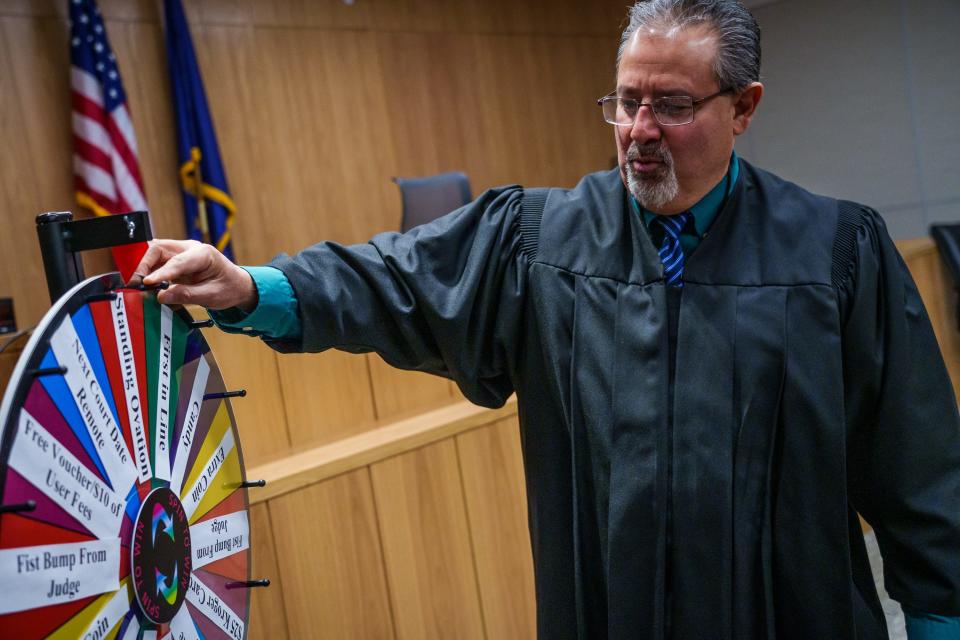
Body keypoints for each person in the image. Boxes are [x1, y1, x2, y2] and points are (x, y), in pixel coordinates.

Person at [136, 1, 960, 637]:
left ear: (743, 107)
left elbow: (918, 470)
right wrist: (250, 286)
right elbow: (396, 279)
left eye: (670, 105)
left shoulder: (834, 254)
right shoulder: (538, 241)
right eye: (625, 101)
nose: (639, 131)